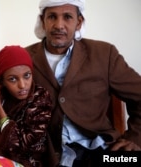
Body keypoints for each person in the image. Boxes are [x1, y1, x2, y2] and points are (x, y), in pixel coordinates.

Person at [25, 0, 141, 166]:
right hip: (46, 157)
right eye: (52, 16)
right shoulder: (23, 58)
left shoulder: (104, 54)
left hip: (103, 151)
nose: (59, 25)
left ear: (79, 22)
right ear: (43, 20)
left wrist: (135, 138)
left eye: (67, 17)